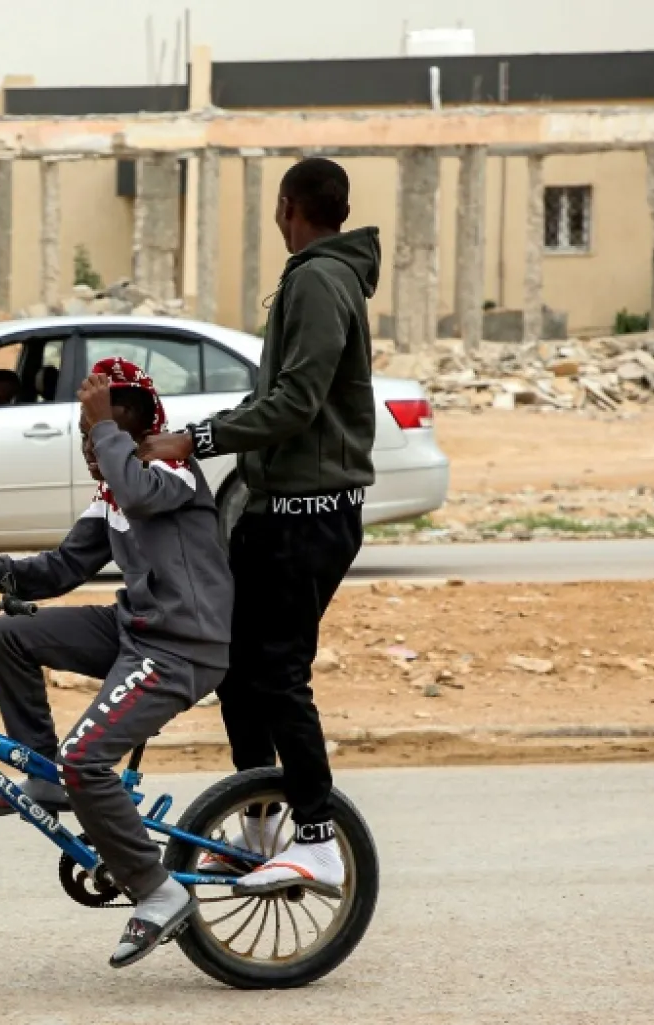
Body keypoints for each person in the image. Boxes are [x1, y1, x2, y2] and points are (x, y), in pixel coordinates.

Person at [139, 157, 378, 896]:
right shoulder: (324, 276)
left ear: (288, 207)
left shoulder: (316, 278)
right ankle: (261, 826)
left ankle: (314, 838)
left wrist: (196, 440)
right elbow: (276, 395)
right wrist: (204, 434)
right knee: (236, 670)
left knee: (275, 674)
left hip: (306, 519)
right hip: (284, 513)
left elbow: (297, 403)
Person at [0, 357, 233, 968]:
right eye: (84, 436)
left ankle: (156, 890)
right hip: (137, 630)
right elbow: (61, 568)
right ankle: (46, 778)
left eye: (104, 430)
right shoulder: (114, 496)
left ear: (142, 428)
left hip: (182, 645)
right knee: (13, 637)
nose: (91, 445)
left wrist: (105, 425)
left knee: (88, 758)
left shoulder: (171, 469)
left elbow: (133, 487)